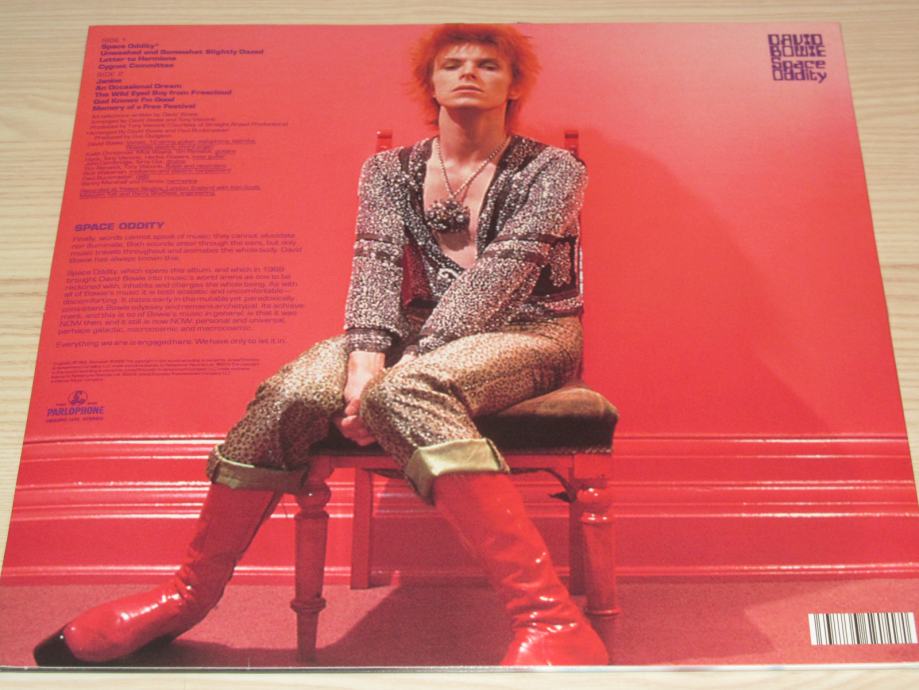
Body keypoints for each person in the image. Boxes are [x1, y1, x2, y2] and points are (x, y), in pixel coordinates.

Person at [33, 23, 608, 667]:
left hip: (528, 330)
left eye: (488, 64)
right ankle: (186, 595)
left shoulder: (557, 170)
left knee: (407, 391)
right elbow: (375, 264)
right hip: (415, 328)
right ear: (430, 83)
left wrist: (390, 383)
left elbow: (504, 271)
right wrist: (364, 363)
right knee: (292, 392)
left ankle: (551, 620)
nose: (469, 72)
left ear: (514, 84)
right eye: (452, 64)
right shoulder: (389, 171)